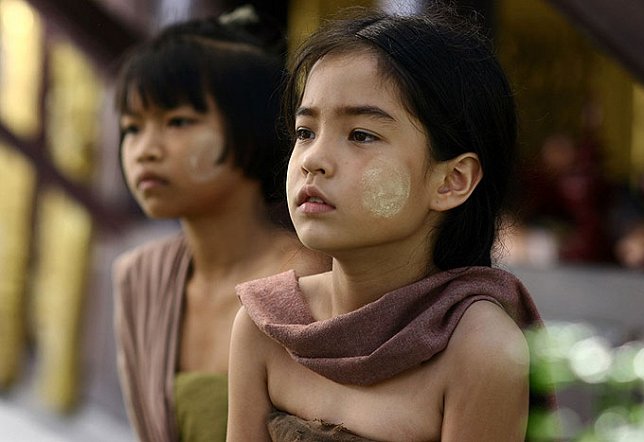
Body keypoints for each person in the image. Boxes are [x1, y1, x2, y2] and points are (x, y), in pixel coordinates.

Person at [227, 7, 553, 441]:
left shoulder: (477, 346)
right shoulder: (268, 326)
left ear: (451, 181)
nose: (313, 161)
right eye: (305, 131)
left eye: (361, 135)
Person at [111, 7, 330, 442]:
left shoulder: (312, 277)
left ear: (250, 129)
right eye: (132, 128)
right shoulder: (141, 277)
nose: (144, 150)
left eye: (177, 122)